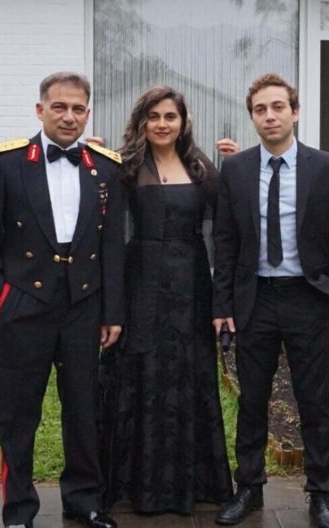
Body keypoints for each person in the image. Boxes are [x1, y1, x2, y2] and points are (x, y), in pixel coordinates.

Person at [0, 71, 125, 528]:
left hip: (83, 307)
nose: (68, 116)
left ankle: (84, 500)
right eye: (59, 107)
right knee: (18, 415)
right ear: (40, 110)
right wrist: (1, 297)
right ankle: (18, 510)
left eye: (77, 109)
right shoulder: (8, 163)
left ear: (87, 114)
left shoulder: (105, 167)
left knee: (83, 411)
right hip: (24, 306)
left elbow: (112, 246)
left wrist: (112, 311)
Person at [211, 73, 329, 528]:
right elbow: (225, 240)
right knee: (252, 401)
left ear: (295, 112)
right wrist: (223, 306)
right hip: (254, 299)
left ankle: (322, 495)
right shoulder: (236, 170)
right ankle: (249, 488)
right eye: (260, 109)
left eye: (278, 107)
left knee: (313, 402)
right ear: (252, 117)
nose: (269, 116)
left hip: (306, 299)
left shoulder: (326, 167)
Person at [99, 85, 234, 515]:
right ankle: (136, 486)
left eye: (170, 116)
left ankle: (192, 486)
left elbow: (231, 221)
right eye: (153, 116)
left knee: (188, 374)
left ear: (182, 122)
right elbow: (100, 222)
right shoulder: (124, 167)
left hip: (192, 285)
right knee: (141, 372)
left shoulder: (200, 166)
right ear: (142, 122)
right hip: (140, 283)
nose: (162, 124)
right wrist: (90, 160)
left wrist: (238, 167)